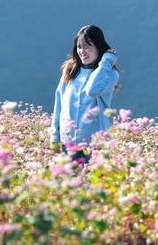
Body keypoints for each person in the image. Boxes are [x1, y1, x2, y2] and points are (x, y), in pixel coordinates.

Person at [50, 25, 120, 163]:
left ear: (99, 47)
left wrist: (106, 62)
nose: (82, 51)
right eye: (79, 47)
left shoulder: (110, 74)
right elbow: (59, 106)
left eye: (87, 47)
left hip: (95, 145)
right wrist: (54, 137)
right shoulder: (71, 71)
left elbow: (93, 90)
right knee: (68, 183)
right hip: (67, 144)